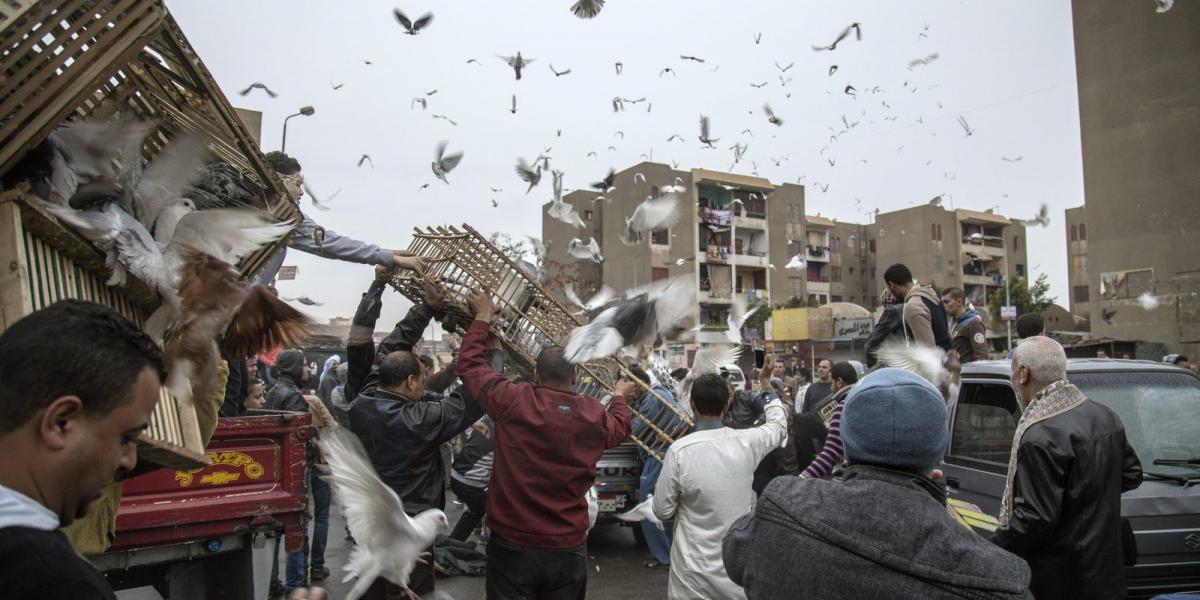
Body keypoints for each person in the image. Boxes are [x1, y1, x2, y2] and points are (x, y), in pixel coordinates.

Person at [723, 368, 1033, 599]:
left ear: (844, 448)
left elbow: (734, 553)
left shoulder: (781, 506)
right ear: (937, 463)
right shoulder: (1003, 580)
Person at [457, 289, 633, 600]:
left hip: (511, 541)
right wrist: (619, 398)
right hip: (567, 545)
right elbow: (619, 429)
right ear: (575, 375)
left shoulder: (514, 399)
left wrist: (482, 318)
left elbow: (471, 368)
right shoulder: (593, 414)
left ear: (536, 375)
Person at [348, 278, 484, 598]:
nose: (425, 388)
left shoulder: (362, 401)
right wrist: (482, 327)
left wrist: (426, 309)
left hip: (372, 536)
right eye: (422, 381)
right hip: (406, 540)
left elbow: (391, 348)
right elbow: (472, 398)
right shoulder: (416, 421)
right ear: (410, 381)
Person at [991, 336, 1143, 599]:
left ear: (1023, 374)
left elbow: (1035, 518)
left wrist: (989, 551)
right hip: (1106, 573)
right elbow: (1132, 475)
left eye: (1014, 372)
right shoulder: (1104, 415)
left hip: (1061, 581)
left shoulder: (1040, 435)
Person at [652, 372, 788, 600]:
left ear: (692, 404)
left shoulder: (679, 451)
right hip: (735, 574)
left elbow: (662, 510)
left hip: (691, 577)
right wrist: (766, 385)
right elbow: (778, 425)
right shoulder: (747, 442)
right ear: (727, 405)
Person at [253, 151, 426, 285]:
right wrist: (389, 257)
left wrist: (387, 254)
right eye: (297, 184)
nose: (301, 192)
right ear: (278, 182)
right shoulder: (284, 218)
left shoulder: (281, 214)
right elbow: (329, 243)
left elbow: (330, 241)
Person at [628, 364, 686, 571]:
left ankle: (663, 557)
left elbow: (635, 427)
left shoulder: (653, 398)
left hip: (658, 456)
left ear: (635, 384)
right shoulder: (654, 395)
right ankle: (669, 555)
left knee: (648, 505)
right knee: (663, 506)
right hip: (661, 455)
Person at [800, 362, 859, 479]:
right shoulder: (858, 399)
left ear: (839, 382)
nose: (831, 387)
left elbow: (831, 452)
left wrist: (802, 478)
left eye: (832, 383)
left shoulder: (843, 405)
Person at [883, 263, 952, 351]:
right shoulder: (932, 296)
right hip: (947, 358)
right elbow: (948, 334)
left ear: (892, 285)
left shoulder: (913, 306)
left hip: (936, 362)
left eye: (888, 288)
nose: (890, 292)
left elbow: (927, 350)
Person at [449, 416, 494, 542]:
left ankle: (454, 541)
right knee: (487, 508)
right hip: (471, 482)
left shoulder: (486, 420)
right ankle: (484, 539)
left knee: (476, 509)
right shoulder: (503, 430)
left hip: (456, 474)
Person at [941, 286, 990, 363]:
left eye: (947, 302)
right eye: (942, 303)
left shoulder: (973, 323)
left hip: (967, 373)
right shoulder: (952, 323)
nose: (943, 306)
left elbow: (982, 356)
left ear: (959, 302)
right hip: (954, 372)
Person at [864, 288, 905, 367]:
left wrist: (872, 370)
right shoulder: (913, 307)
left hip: (898, 361)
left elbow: (871, 344)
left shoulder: (892, 312)